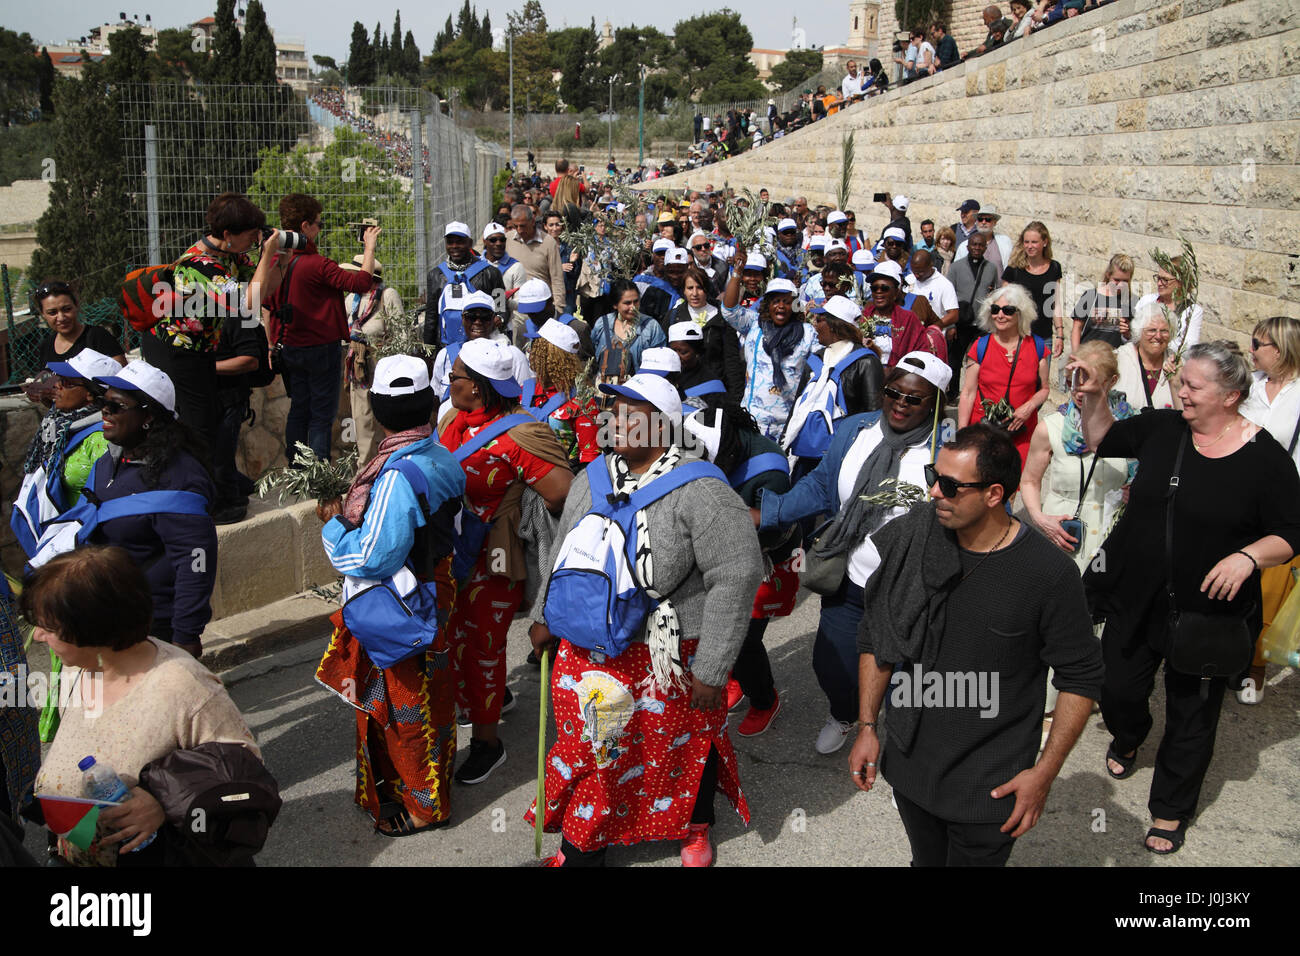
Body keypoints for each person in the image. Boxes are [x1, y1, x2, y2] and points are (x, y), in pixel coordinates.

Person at [526, 373, 763, 866]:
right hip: (591, 645)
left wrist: (713, 669)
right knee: (592, 745)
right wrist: (543, 614)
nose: (618, 420)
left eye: (634, 412)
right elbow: (564, 552)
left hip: (670, 652)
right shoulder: (591, 477)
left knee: (684, 745)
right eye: (615, 410)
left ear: (665, 425)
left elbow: (737, 573)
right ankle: (582, 846)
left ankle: (694, 827)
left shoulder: (703, 490)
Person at [1072, 341, 1300, 854]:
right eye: (1182, 382)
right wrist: (1092, 397)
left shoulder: (1264, 457)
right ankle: (1130, 733)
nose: (1182, 392)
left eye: (1194, 386)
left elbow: (1292, 530)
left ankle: (1170, 809)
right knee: (1119, 690)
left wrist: (1248, 557)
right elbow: (1103, 438)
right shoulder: (1162, 426)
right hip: (1134, 594)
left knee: (1193, 713)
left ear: (1231, 395)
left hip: (1209, 612)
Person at [848, 425, 1104, 866]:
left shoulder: (1048, 575)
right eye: (934, 475)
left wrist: (1043, 774)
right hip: (911, 769)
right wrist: (868, 726)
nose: (933, 492)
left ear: (993, 494)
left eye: (949, 485)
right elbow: (878, 633)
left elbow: (1080, 677)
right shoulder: (915, 536)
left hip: (989, 787)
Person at [756, 353, 951, 754]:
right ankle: (845, 715)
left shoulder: (945, 452)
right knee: (832, 665)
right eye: (892, 392)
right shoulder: (854, 430)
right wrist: (770, 510)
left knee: (904, 679)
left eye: (913, 399)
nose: (899, 403)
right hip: (849, 579)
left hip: (909, 591)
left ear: (934, 405)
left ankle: (901, 752)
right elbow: (820, 485)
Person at [27, 546, 261, 866]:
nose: (38, 636)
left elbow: (244, 773)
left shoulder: (182, 684)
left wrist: (162, 802)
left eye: (48, 627)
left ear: (91, 627)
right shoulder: (79, 668)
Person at [315, 356, 465, 836]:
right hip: (436, 589)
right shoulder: (439, 455)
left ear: (377, 410)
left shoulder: (397, 475)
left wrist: (335, 528)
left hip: (404, 603)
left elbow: (372, 558)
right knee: (433, 690)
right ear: (429, 404)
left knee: (404, 701)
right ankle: (435, 783)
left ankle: (424, 805)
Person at [439, 339, 572, 786]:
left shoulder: (520, 435)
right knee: (456, 640)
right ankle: (491, 701)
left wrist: (513, 506)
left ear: (476, 388)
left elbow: (565, 496)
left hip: (493, 561)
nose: (449, 381)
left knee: (483, 649)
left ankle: (487, 744)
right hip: (456, 555)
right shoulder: (451, 419)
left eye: (455, 376)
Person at [73, 362, 218, 659]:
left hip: (153, 626)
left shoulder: (179, 477)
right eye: (103, 402)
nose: (105, 411)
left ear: (148, 416)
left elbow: (196, 562)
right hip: (108, 616)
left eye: (116, 405)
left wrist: (186, 635)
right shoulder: (106, 464)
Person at [141, 192, 285, 477]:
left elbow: (266, 289)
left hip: (200, 351)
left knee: (210, 421)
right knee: (198, 426)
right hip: (175, 351)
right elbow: (248, 303)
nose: (255, 239)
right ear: (228, 233)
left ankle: (215, 487)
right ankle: (200, 496)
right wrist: (267, 253)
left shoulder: (229, 254)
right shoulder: (199, 265)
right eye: (251, 234)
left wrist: (281, 255)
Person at [684, 403, 800, 736]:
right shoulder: (716, 440)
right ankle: (735, 676)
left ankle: (764, 699)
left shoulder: (770, 473)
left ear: (728, 451)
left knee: (742, 638)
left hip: (765, 559)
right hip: (724, 553)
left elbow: (775, 529)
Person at [264, 193, 381, 465]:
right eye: (317, 223)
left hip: (289, 348)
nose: (319, 228)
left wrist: (271, 344)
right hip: (321, 350)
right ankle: (318, 473)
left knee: (298, 409)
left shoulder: (276, 264)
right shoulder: (318, 265)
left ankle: (296, 467)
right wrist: (369, 246)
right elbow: (363, 282)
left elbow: (267, 305)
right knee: (320, 414)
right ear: (305, 227)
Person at [1239, 315, 1300, 703]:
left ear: (1278, 349)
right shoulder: (1251, 387)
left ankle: (1256, 666)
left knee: (1271, 586)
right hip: (1241, 495)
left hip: (1283, 501)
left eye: (1257, 343)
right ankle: (1225, 652)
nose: (1251, 350)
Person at [721, 248, 817, 442]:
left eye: (787, 301)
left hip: (787, 425)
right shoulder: (754, 324)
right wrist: (737, 273)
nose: (781, 306)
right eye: (775, 301)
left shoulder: (808, 334)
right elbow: (729, 309)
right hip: (752, 419)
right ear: (767, 304)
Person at [783, 295, 884, 474]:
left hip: (842, 456)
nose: (814, 324)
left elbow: (873, 416)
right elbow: (798, 406)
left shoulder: (866, 362)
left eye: (820, 319)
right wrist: (783, 442)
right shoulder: (817, 359)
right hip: (803, 454)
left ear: (834, 325)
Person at [959, 285, 1051, 469]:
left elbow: (1045, 389)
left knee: (1010, 486)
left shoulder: (1038, 347)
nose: (1000, 315)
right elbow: (968, 393)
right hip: (983, 429)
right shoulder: (980, 346)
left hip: (1019, 431)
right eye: (995, 309)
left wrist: (1029, 407)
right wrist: (962, 433)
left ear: (1020, 314)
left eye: (1008, 310)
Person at [341, 255, 406, 466]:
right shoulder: (351, 300)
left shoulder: (387, 296)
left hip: (383, 367)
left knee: (388, 418)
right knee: (362, 418)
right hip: (358, 368)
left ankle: (391, 463)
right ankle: (365, 468)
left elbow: (401, 335)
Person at [524, 318, 602, 468]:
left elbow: (590, 455)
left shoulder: (581, 401)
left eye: (535, 346)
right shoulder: (526, 390)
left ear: (549, 357)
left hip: (561, 476)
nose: (529, 350)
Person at [666, 267, 745, 401]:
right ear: (683, 291)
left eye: (699, 288)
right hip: (682, 391)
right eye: (690, 288)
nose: (695, 293)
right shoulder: (674, 316)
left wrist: (735, 399)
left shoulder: (722, 317)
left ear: (707, 290)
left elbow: (731, 360)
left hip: (714, 390)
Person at [424, 221, 505, 351]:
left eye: (460, 242)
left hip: (482, 345)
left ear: (470, 243)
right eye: (450, 242)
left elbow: (501, 304)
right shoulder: (435, 275)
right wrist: (428, 350)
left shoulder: (491, 273)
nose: (454, 246)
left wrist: (499, 318)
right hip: (447, 347)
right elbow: (431, 316)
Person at [1001, 220, 1064, 353]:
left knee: (1042, 374)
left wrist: (1060, 334)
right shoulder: (1013, 269)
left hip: (1043, 336)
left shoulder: (1054, 268)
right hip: (1017, 336)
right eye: (1026, 242)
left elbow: (1055, 304)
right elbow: (1004, 304)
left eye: (1034, 242)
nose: (1029, 246)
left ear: (1045, 242)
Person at [32, 280, 125, 370]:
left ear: (76, 306)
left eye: (67, 309)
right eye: (52, 313)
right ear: (43, 314)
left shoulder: (98, 337)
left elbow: (122, 377)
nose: (61, 318)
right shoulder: (46, 347)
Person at [591, 279, 669, 387]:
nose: (633, 307)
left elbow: (660, 363)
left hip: (637, 393)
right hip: (604, 393)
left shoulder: (651, 327)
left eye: (636, 301)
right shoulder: (602, 324)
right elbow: (592, 356)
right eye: (627, 303)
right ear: (615, 305)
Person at [860, 261, 929, 367]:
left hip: (898, 376)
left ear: (896, 292)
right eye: (874, 288)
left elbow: (921, 351)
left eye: (884, 288)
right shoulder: (864, 316)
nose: (879, 291)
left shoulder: (908, 319)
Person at [1134, 256, 1203, 356]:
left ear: (1180, 282)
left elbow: (1188, 348)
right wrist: (1126, 334)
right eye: (1158, 278)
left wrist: (1152, 341)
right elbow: (1133, 337)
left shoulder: (1192, 311)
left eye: (1165, 280)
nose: (1159, 283)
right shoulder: (1147, 301)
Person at [1115, 309, 1181, 411]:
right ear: (1139, 332)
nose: (1158, 336)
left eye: (1164, 331)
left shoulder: (1179, 365)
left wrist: (1175, 383)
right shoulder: (1118, 359)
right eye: (1152, 330)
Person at [1070, 253, 1135, 352]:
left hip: (1115, 358)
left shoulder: (1131, 300)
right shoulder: (1091, 296)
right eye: (1116, 280)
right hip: (1088, 355)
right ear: (1108, 274)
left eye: (1125, 281)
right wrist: (1075, 354)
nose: (1120, 285)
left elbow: (1132, 337)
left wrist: (1127, 334)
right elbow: (1077, 328)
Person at [507, 204, 566, 306]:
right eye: (516, 226)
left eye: (523, 226)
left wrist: (558, 308)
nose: (519, 230)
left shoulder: (548, 242)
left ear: (532, 221)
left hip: (540, 307)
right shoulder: (507, 240)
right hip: (514, 309)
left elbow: (557, 278)